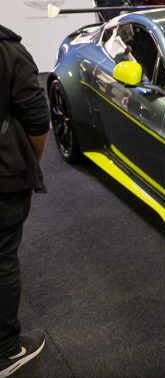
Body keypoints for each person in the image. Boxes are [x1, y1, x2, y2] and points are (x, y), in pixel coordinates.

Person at [0, 24, 49, 376]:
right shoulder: (7, 49)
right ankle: (5, 351)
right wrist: (30, 162)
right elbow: (36, 118)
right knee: (2, 257)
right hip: (3, 177)